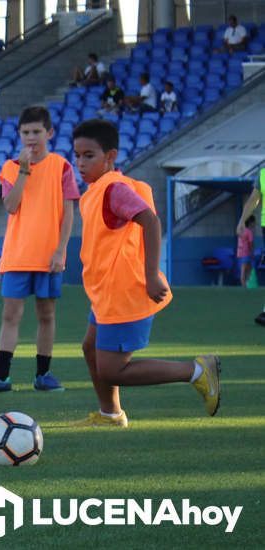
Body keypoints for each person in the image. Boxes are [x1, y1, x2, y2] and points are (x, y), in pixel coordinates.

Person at [71, 119, 220, 427]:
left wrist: (152, 274)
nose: (80, 163)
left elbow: (151, 222)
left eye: (89, 156)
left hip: (125, 293)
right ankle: (110, 414)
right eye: (77, 155)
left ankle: (196, 371)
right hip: (107, 293)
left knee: (112, 370)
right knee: (90, 347)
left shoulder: (113, 189)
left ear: (110, 157)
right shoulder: (99, 190)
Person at [0, 106, 79, 393]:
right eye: (26, 132)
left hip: (49, 256)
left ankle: (44, 375)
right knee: (10, 316)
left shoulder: (62, 166)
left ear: (49, 133)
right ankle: (1, 376)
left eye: (36, 132)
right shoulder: (10, 167)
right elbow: (10, 206)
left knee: (46, 315)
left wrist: (60, 251)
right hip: (17, 254)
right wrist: (24, 172)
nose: (31, 138)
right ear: (19, 134)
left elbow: (69, 214)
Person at [236, 167, 265, 325]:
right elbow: (254, 199)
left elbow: (254, 199)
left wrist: (241, 220)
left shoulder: (263, 174)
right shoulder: (262, 174)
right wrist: (242, 221)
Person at [237, 215, 255, 288]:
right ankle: (244, 286)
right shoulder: (249, 232)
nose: (254, 225)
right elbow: (250, 244)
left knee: (246, 269)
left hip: (240, 253)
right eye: (254, 223)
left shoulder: (241, 231)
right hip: (246, 253)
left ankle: (246, 285)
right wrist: (252, 253)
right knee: (245, 271)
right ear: (250, 223)